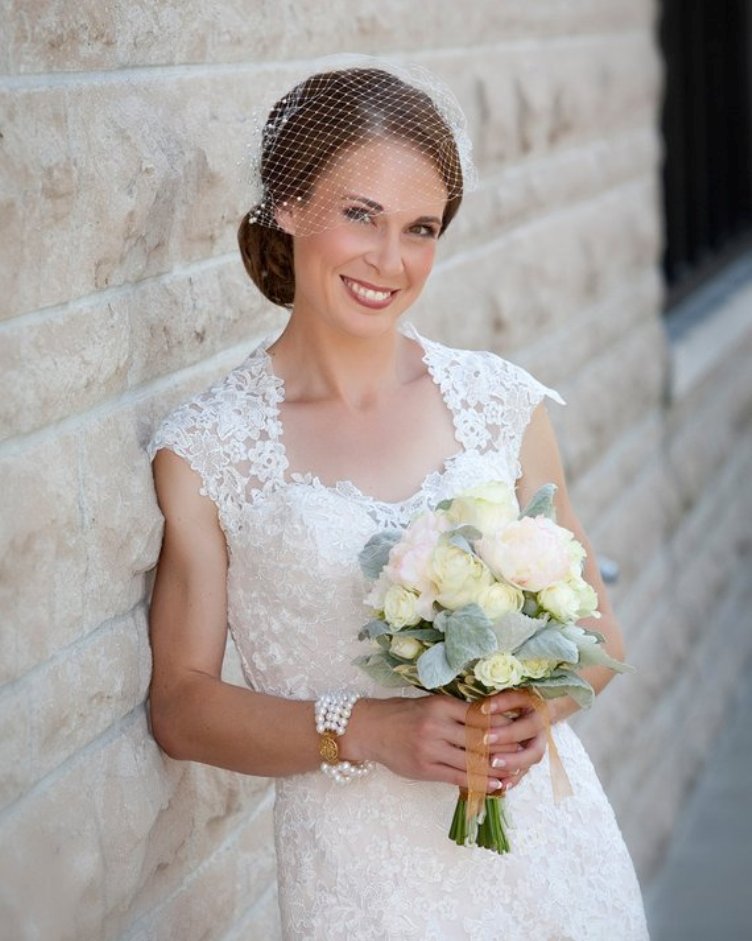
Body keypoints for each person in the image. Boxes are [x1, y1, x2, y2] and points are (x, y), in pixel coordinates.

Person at [147, 63, 649, 939]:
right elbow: (181, 706)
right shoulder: (207, 450)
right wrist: (365, 731)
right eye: (360, 215)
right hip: (366, 889)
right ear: (289, 206)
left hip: (553, 863)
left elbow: (601, 639)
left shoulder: (499, 401)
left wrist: (542, 709)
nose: (392, 260)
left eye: (421, 228)